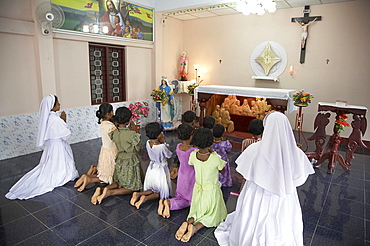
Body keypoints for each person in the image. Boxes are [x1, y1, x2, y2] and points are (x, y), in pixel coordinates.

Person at [214, 111, 315, 246]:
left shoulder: (254, 149)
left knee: (253, 216)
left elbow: (245, 172)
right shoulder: (297, 153)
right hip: (284, 196)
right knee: (281, 222)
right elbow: (300, 178)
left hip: (255, 194)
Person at [6, 95, 79, 200]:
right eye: (58, 103)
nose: (60, 105)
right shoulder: (57, 120)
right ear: (52, 107)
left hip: (50, 146)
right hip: (58, 146)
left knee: (51, 162)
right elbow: (66, 135)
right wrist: (63, 120)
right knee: (60, 161)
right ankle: (63, 176)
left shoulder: (47, 118)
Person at [175, 128, 227, 242]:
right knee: (212, 214)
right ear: (211, 142)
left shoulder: (193, 155)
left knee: (196, 212)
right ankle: (195, 228)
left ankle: (187, 222)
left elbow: (192, 163)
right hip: (211, 190)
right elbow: (223, 170)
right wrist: (212, 152)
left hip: (198, 189)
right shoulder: (215, 158)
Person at [91, 107, 143, 204]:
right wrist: (135, 131)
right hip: (130, 160)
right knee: (132, 187)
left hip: (120, 159)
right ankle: (110, 192)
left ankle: (102, 190)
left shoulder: (114, 133)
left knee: (118, 182)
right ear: (128, 121)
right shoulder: (132, 134)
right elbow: (138, 149)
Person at [74, 103, 118, 192]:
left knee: (105, 171)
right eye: (112, 112)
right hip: (112, 151)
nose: (113, 114)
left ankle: (89, 175)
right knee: (109, 175)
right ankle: (89, 179)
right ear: (108, 114)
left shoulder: (103, 123)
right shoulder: (111, 126)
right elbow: (116, 139)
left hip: (105, 150)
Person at [130, 122, 172, 209]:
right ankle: (145, 198)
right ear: (159, 134)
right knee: (161, 192)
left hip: (152, 169)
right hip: (160, 170)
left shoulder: (148, 142)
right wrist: (163, 142)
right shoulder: (161, 146)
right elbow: (169, 155)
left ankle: (138, 194)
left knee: (152, 189)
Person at [158, 124, 196, 218]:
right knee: (189, 200)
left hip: (181, 173)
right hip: (191, 175)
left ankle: (168, 202)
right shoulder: (193, 150)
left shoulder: (178, 146)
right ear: (191, 134)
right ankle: (170, 204)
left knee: (181, 195)